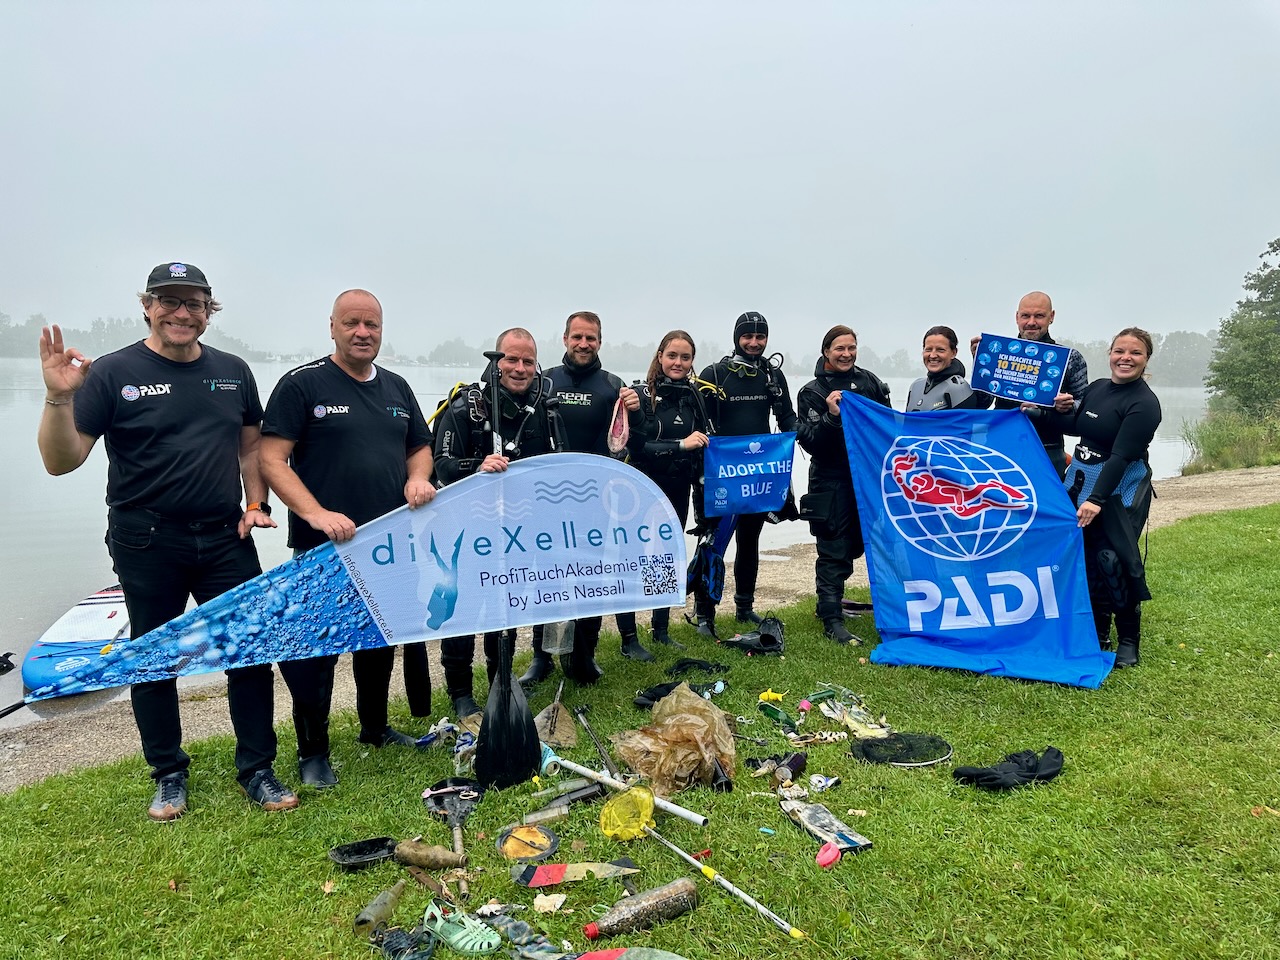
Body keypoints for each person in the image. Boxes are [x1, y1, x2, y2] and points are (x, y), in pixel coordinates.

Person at [36, 262, 299, 820]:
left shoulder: (232, 371)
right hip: (145, 538)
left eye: (194, 303)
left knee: (249, 652)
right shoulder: (112, 373)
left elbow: (251, 448)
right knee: (154, 660)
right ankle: (169, 774)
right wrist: (58, 399)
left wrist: (256, 504)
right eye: (169, 301)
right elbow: (61, 462)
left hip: (226, 535)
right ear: (148, 306)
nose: (182, 313)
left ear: (209, 310)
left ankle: (257, 769)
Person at [259, 289, 435, 788]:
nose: (363, 333)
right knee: (317, 653)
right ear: (332, 327)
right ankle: (313, 753)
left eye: (372, 325)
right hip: (325, 547)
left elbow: (419, 448)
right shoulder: (301, 385)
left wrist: (418, 478)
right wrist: (313, 512)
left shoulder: (397, 388)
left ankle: (374, 729)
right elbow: (271, 459)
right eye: (352, 323)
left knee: (377, 643)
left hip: (386, 543)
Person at [433, 328, 569, 717]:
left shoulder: (547, 406)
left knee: (503, 609)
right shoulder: (466, 406)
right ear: (496, 360)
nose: (520, 368)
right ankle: (461, 696)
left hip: (519, 532)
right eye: (511, 359)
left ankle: (500, 686)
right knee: (462, 611)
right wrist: (476, 467)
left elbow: (560, 465)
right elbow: (440, 463)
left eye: (528, 361)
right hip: (466, 527)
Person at [521, 311, 647, 683]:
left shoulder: (613, 386)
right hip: (547, 499)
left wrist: (637, 415)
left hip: (596, 500)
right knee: (545, 578)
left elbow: (630, 443)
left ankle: (583, 657)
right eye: (577, 336)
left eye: (590, 338)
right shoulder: (543, 382)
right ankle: (541, 659)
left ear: (599, 342)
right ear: (564, 339)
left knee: (591, 577)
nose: (583, 344)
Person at [1044, 328, 1162, 668]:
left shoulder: (1144, 403)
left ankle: (1128, 641)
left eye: (1135, 353)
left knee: (1113, 559)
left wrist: (1096, 499)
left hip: (1117, 489)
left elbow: (1121, 455)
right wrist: (1051, 411)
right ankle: (1097, 632)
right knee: (1084, 559)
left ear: (1145, 360)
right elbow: (1077, 426)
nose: (1125, 358)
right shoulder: (1096, 388)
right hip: (1080, 480)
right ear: (1110, 354)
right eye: (1119, 351)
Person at [698, 311, 798, 633]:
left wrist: (812, 435)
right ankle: (705, 614)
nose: (754, 343)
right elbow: (698, 425)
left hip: (757, 475)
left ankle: (744, 607)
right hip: (722, 475)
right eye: (748, 336)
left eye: (760, 337)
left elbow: (787, 421)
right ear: (736, 337)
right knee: (714, 543)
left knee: (749, 541)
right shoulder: (715, 373)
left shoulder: (771, 376)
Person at [796, 326, 892, 643]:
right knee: (834, 550)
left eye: (851, 348)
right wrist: (832, 416)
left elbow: (889, 426)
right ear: (826, 351)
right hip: (829, 479)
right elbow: (811, 442)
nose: (846, 354)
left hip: (866, 477)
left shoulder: (870, 383)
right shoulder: (811, 391)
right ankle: (831, 618)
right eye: (840, 348)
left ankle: (843, 603)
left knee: (861, 546)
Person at [627, 331, 717, 645]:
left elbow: (706, 443)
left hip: (679, 488)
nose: (678, 363)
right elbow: (636, 448)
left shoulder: (695, 396)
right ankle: (628, 637)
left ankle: (660, 630)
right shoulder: (642, 394)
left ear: (692, 361)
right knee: (633, 557)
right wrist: (680, 445)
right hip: (643, 488)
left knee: (666, 558)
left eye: (685, 357)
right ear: (660, 356)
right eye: (672, 356)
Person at [972, 292, 1088, 477]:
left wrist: (1067, 406)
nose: (1031, 322)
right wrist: (979, 364)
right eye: (1026, 316)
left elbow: (1084, 408)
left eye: (1039, 316)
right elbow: (981, 403)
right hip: (999, 445)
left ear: (1052, 317)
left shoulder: (1070, 358)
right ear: (1017, 318)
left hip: (1047, 450)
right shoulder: (997, 352)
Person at [905, 325, 984, 411]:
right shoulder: (916, 386)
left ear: (953, 353)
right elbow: (903, 424)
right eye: (928, 349)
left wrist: (980, 362)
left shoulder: (958, 388)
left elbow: (969, 420)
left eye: (940, 350)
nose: (933, 355)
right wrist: (887, 403)